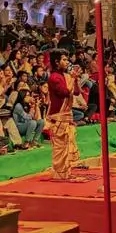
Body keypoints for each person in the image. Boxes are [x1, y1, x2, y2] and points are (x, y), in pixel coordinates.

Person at [47, 50, 80, 178]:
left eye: (67, 60)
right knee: (60, 147)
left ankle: (66, 172)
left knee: (66, 145)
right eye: (64, 60)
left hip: (66, 114)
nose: (67, 62)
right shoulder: (54, 77)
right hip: (57, 116)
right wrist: (72, 78)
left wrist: (75, 80)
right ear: (56, 62)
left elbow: (76, 93)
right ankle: (59, 174)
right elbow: (64, 92)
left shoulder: (65, 76)